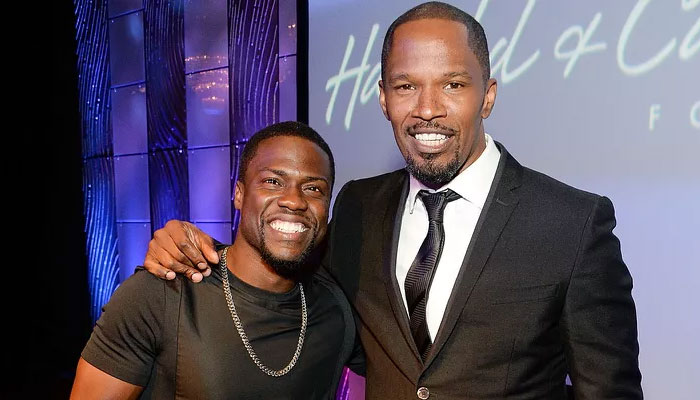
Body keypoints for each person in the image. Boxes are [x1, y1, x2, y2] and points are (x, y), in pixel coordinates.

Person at [142, 2, 643, 399]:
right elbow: (289, 291)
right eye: (406, 87)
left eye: (453, 84)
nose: (427, 110)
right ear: (384, 98)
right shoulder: (359, 206)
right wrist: (196, 253)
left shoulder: (573, 223)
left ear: (487, 95)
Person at [71, 122, 363, 399]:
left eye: (313, 189)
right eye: (273, 182)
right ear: (239, 194)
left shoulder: (335, 309)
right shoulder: (163, 293)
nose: (294, 200)